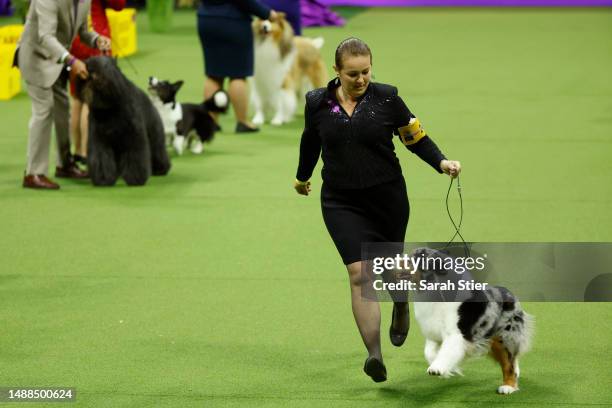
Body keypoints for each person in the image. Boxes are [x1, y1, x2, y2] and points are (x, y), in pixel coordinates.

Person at [294, 37, 461, 382]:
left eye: (366, 71)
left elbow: (415, 138)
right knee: (359, 274)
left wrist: (441, 162)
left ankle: (400, 302)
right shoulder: (317, 102)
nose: (360, 79)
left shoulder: (387, 98)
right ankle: (374, 355)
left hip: (387, 199)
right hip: (341, 201)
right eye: (352, 73)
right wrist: (302, 177)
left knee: (391, 272)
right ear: (337, 71)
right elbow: (311, 140)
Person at [18, 0, 111, 189]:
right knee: (44, 110)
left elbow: (83, 31)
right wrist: (72, 60)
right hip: (35, 57)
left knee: (63, 109)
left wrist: (96, 39)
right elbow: (45, 37)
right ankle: (33, 173)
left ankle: (65, 164)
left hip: (57, 60)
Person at [197, 0, 279, 133]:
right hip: (232, 22)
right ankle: (242, 122)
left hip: (206, 19)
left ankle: (211, 121)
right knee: (238, 75)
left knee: (213, 74)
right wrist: (267, 13)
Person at [69, 0, 126, 167]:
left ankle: (77, 150)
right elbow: (118, 4)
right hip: (94, 34)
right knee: (93, 99)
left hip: (74, 35)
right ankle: (88, 152)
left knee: (77, 97)